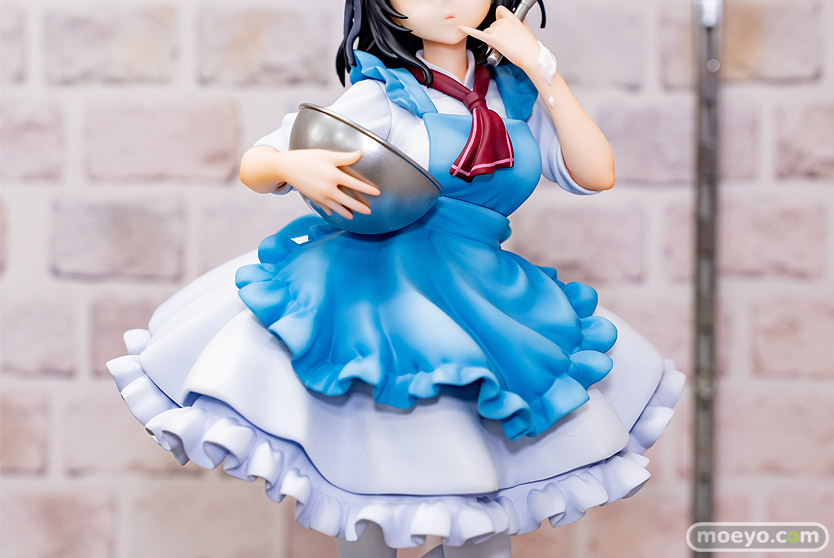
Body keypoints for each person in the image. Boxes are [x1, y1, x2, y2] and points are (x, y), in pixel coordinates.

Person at [108, 1, 685, 556]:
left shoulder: (514, 97)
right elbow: (257, 162)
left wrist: (540, 66)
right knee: (367, 451)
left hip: (482, 290)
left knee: (483, 488)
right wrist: (291, 165)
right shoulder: (385, 93)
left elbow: (595, 172)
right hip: (381, 283)